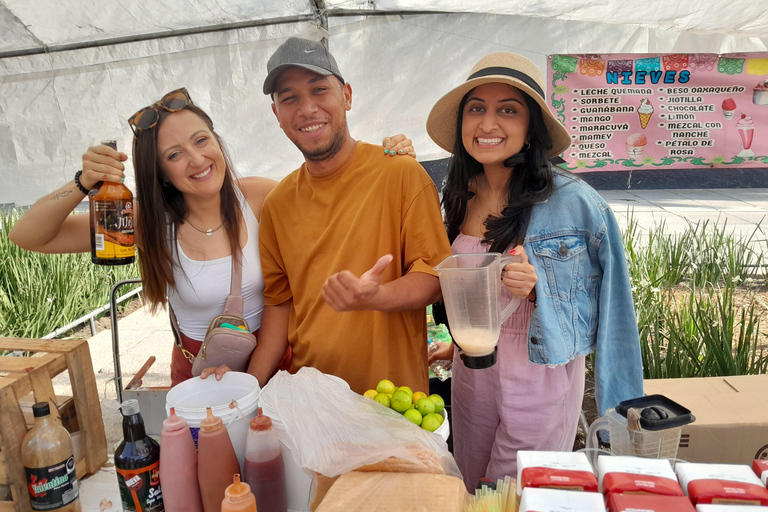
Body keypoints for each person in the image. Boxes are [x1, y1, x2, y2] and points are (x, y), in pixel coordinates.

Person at [8, 87, 415, 386]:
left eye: (201, 140)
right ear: (161, 173)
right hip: (199, 370)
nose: (197, 159)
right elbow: (29, 236)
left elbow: (340, 194)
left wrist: (389, 158)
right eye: (174, 154)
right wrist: (82, 183)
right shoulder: (147, 226)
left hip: (273, 363)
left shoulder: (259, 196)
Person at [424, 52, 643, 491]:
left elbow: (616, 305)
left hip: (541, 370)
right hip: (474, 368)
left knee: (522, 486)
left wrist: (538, 291)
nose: (488, 124)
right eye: (476, 109)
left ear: (531, 129)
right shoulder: (456, 195)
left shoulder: (575, 202)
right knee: (471, 482)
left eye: (508, 110)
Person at [244, 37, 453, 395]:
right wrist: (245, 392)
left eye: (319, 89)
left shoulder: (400, 174)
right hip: (314, 400)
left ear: (347, 96)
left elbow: (435, 277)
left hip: (393, 400)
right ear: (277, 115)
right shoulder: (278, 204)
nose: (307, 108)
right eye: (289, 98)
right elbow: (278, 308)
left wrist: (375, 297)